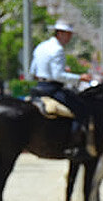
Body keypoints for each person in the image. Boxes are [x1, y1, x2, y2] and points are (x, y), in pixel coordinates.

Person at [28, 19, 95, 156]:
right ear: (59, 33)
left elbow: (33, 71)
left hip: (39, 86)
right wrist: (79, 78)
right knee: (82, 109)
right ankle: (75, 145)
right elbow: (57, 75)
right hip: (52, 88)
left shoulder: (41, 46)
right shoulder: (57, 49)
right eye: (68, 34)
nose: (70, 38)